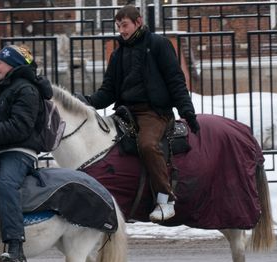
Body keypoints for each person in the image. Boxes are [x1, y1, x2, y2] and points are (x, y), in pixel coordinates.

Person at [82, 5, 199, 222]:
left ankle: (165, 199)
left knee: (147, 144)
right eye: (118, 26)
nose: (121, 31)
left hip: (154, 113)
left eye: (124, 25)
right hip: (125, 113)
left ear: (138, 22)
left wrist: (187, 112)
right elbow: (107, 92)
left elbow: (175, 80)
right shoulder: (118, 54)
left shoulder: (158, 44)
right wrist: (84, 102)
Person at [0, 45, 52, 262]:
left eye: (0, 62)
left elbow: (20, 126)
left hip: (19, 152)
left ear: (13, 64)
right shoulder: (10, 87)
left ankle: (15, 245)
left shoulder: (26, 90)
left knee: (6, 184)